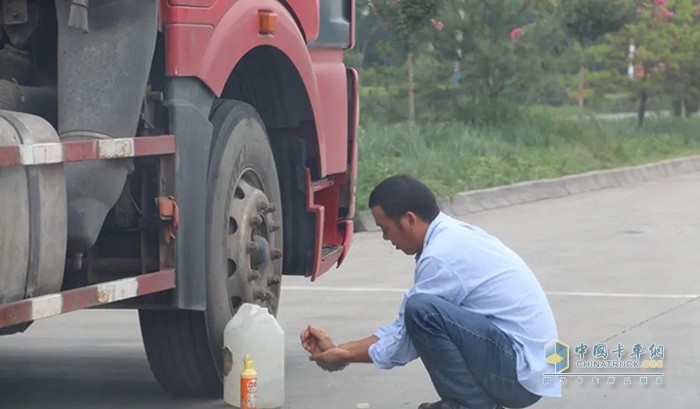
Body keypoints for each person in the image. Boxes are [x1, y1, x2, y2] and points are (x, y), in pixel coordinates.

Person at [300, 174, 561, 409]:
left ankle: (469, 406)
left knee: (423, 311)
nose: (385, 238)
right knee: (423, 311)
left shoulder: (441, 256)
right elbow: (402, 331)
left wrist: (343, 355)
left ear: (409, 220)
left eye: (385, 228)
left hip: (520, 374)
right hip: (527, 367)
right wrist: (340, 350)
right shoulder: (451, 235)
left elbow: (404, 338)